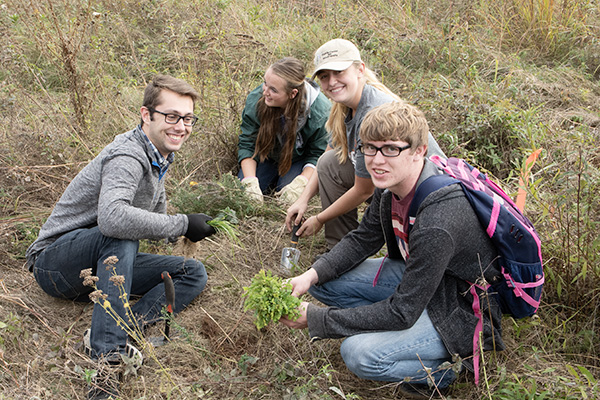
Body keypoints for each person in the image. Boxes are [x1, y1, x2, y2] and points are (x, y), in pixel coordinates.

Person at [281, 102, 504, 399]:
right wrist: (309, 276)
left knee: (359, 354)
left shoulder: (439, 218)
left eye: (390, 149)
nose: (376, 160)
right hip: (422, 283)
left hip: (458, 308)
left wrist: (318, 319)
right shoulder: (391, 188)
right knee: (325, 280)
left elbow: (402, 311)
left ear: (419, 151)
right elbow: (363, 238)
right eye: (369, 148)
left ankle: (450, 370)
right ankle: (380, 327)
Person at [25, 75, 215, 399]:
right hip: (55, 265)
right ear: (146, 115)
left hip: (97, 263)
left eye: (187, 118)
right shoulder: (128, 155)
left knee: (190, 272)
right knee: (120, 234)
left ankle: (124, 326)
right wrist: (182, 223)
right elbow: (114, 219)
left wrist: (194, 226)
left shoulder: (160, 156)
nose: (181, 126)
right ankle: (106, 366)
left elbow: (153, 218)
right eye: (171, 116)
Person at [285, 38, 445, 251]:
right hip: (393, 183)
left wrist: (320, 219)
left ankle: (354, 252)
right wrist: (302, 199)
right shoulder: (345, 106)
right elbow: (329, 153)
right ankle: (339, 249)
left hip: (425, 196)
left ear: (359, 69)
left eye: (339, 72)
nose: (332, 82)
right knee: (330, 163)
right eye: (324, 76)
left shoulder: (373, 113)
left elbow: (364, 190)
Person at [238, 57, 331, 205]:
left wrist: (302, 182)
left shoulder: (320, 111)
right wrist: (249, 181)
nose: (265, 92)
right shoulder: (257, 98)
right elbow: (248, 143)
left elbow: (317, 154)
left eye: (273, 90)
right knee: (243, 197)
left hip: (297, 159)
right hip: (266, 155)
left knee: (287, 200)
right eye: (265, 83)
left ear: (292, 94)